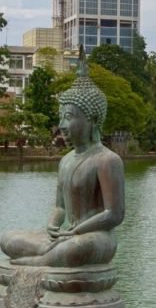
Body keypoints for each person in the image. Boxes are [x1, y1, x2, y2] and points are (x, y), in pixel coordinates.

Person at [0, 55, 124, 268]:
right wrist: (53, 225)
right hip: (66, 235)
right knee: (7, 238)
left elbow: (114, 214)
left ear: (92, 120)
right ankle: (49, 256)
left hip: (94, 237)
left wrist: (76, 231)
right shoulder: (65, 161)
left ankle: (41, 261)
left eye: (69, 117)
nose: (62, 125)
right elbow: (60, 207)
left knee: (75, 248)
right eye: (61, 118)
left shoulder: (107, 160)